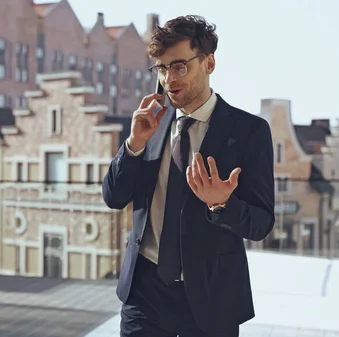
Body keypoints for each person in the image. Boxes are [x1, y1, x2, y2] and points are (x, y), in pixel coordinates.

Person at [102, 15, 275, 337]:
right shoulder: (148, 125)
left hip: (212, 298)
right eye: (162, 68)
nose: (169, 78)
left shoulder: (250, 131)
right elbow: (114, 197)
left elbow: (261, 224)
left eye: (180, 66)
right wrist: (134, 144)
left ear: (208, 63)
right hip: (144, 293)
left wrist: (222, 203)